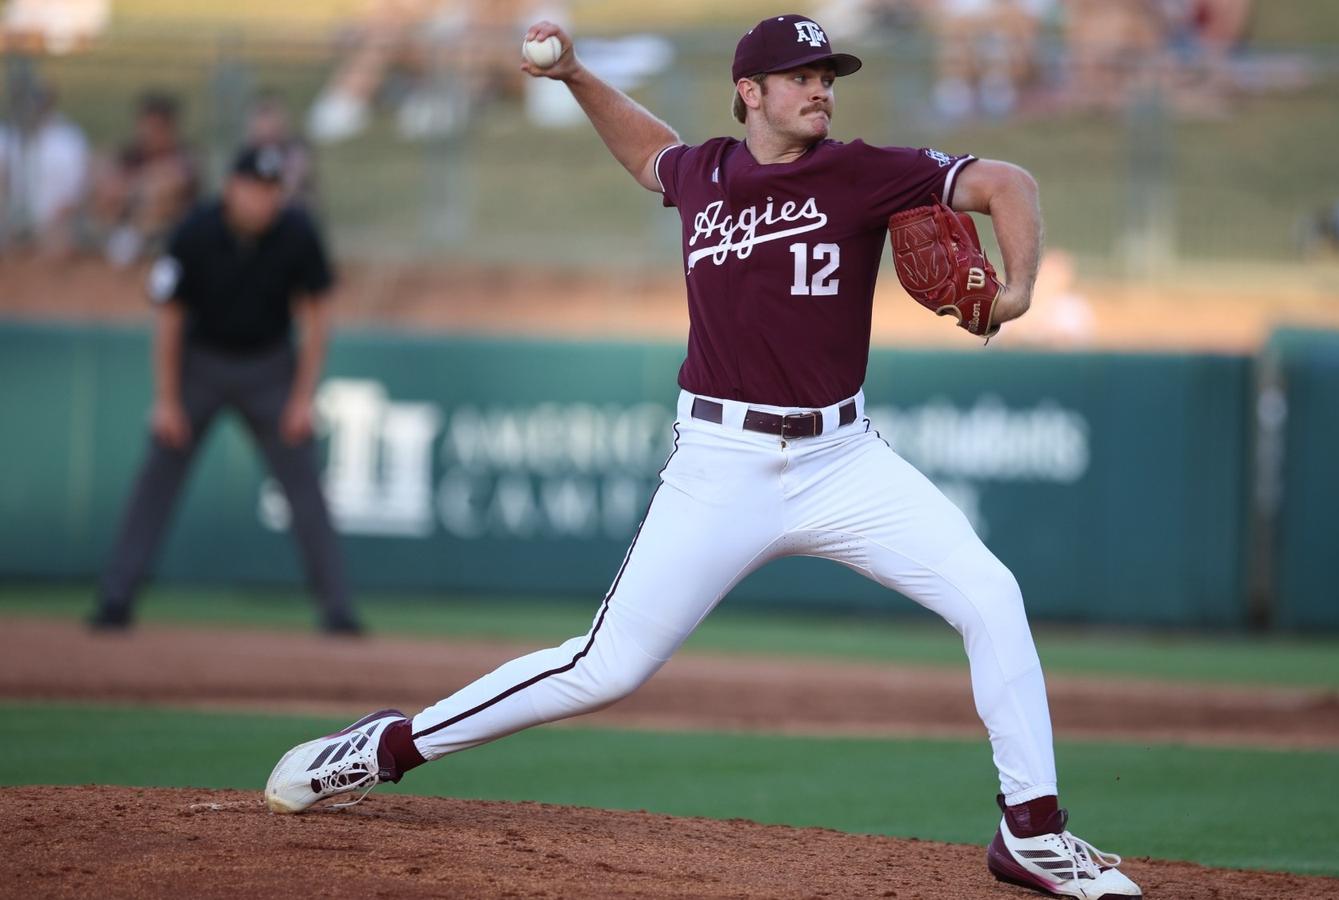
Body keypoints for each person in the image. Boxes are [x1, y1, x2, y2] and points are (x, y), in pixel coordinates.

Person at [264, 14, 1141, 899]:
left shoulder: (866, 169)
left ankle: (1031, 833)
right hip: (721, 462)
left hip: (846, 460)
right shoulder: (706, 171)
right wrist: (573, 74)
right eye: (800, 76)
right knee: (604, 668)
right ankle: (383, 748)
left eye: (827, 75)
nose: (820, 89)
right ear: (750, 92)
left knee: (990, 594)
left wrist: (1020, 288)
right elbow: (652, 155)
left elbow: (1008, 181)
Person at [88, 145, 363, 637]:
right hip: (202, 366)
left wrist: (302, 398)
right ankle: (116, 597)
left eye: (273, 190)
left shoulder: (296, 231)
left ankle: (337, 609)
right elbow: (168, 316)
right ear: (231, 188)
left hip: (270, 368)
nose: (265, 200)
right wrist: (167, 399)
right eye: (256, 188)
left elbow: (318, 317)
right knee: (157, 478)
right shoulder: (195, 230)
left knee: (305, 487)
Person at [89, 91, 200, 266]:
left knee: (158, 192)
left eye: (156, 128)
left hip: (168, 233)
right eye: (144, 126)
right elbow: (103, 174)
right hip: (124, 223)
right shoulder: (130, 154)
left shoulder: (184, 156)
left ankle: (130, 245)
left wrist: (134, 186)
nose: (148, 134)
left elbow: (170, 183)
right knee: (110, 190)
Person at [0, 81, 90, 259]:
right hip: (9, 223)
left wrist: (51, 224)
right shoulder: (6, 138)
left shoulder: (68, 140)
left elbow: (78, 192)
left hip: (55, 226)